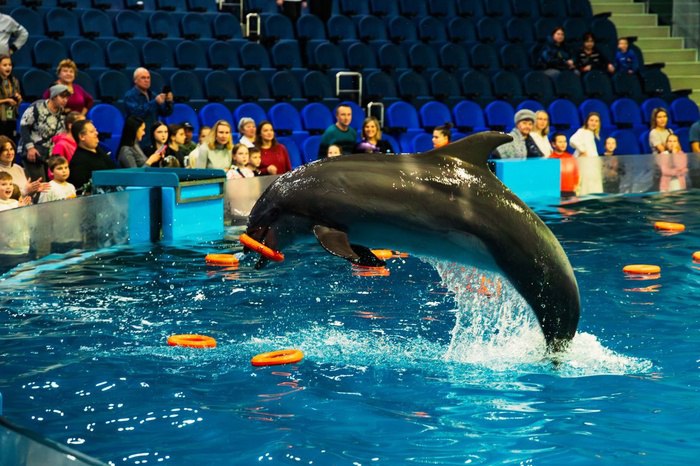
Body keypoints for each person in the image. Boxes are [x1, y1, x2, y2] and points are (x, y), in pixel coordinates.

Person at [18, 84, 70, 181]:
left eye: (67, 97)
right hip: (33, 151)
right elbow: (24, 126)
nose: (65, 100)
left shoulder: (63, 113)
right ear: (53, 96)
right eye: (62, 97)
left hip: (49, 155)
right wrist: (30, 148)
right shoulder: (37, 107)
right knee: (40, 185)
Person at [123, 67, 173, 146]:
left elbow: (165, 113)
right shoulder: (130, 96)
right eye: (143, 78)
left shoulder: (153, 95)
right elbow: (137, 113)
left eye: (148, 78)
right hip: (139, 139)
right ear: (135, 80)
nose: (147, 80)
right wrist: (155, 102)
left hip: (152, 137)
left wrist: (168, 102)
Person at [68, 119, 116, 193]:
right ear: (81, 136)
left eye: (95, 130)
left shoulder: (102, 150)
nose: (96, 133)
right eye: (92, 132)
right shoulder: (78, 162)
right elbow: (81, 191)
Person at [0, 135, 49, 199]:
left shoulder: (18, 168)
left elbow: (26, 194)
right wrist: (25, 191)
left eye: (11, 149)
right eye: (5, 150)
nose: (10, 153)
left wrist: (33, 190)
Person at [569, 112, 603, 195]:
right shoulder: (582, 131)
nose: (594, 123)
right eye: (591, 120)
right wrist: (582, 150)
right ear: (587, 121)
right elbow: (572, 140)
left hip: (592, 165)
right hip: (585, 165)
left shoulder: (593, 135)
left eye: (596, 121)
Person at [0, 54, 22, 139]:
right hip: (0, 116)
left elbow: (18, 98)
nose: (8, 67)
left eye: (10, 65)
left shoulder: (14, 81)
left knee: (9, 139)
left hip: (10, 114)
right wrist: (6, 100)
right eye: (4, 65)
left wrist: (18, 98)